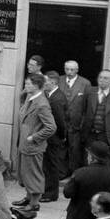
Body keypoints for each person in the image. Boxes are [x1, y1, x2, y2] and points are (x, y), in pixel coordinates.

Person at [14, 73, 56, 214]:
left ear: (37, 86)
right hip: (24, 144)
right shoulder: (29, 97)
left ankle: (34, 203)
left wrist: (35, 137)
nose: (26, 86)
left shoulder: (42, 104)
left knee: (34, 174)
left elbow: (51, 127)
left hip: (33, 145)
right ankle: (28, 197)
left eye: (28, 84)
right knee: (25, 173)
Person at [82, 69, 110, 153]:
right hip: (90, 135)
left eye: (105, 78)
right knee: (87, 160)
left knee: (106, 162)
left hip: (107, 136)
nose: (102, 80)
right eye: (100, 77)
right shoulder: (89, 91)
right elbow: (83, 110)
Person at [58, 60, 92, 172]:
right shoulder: (59, 80)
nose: (69, 72)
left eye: (72, 69)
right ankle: (62, 172)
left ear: (77, 70)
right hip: (61, 122)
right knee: (61, 148)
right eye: (67, 69)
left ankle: (74, 173)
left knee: (75, 149)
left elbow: (88, 106)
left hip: (76, 124)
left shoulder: (85, 83)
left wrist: (83, 123)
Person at [41, 71, 69, 201]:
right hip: (53, 137)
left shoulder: (56, 99)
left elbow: (60, 121)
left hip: (54, 138)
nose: (44, 84)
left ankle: (50, 194)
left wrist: (62, 137)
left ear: (53, 82)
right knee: (48, 165)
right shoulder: (52, 96)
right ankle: (48, 191)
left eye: (45, 81)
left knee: (51, 166)